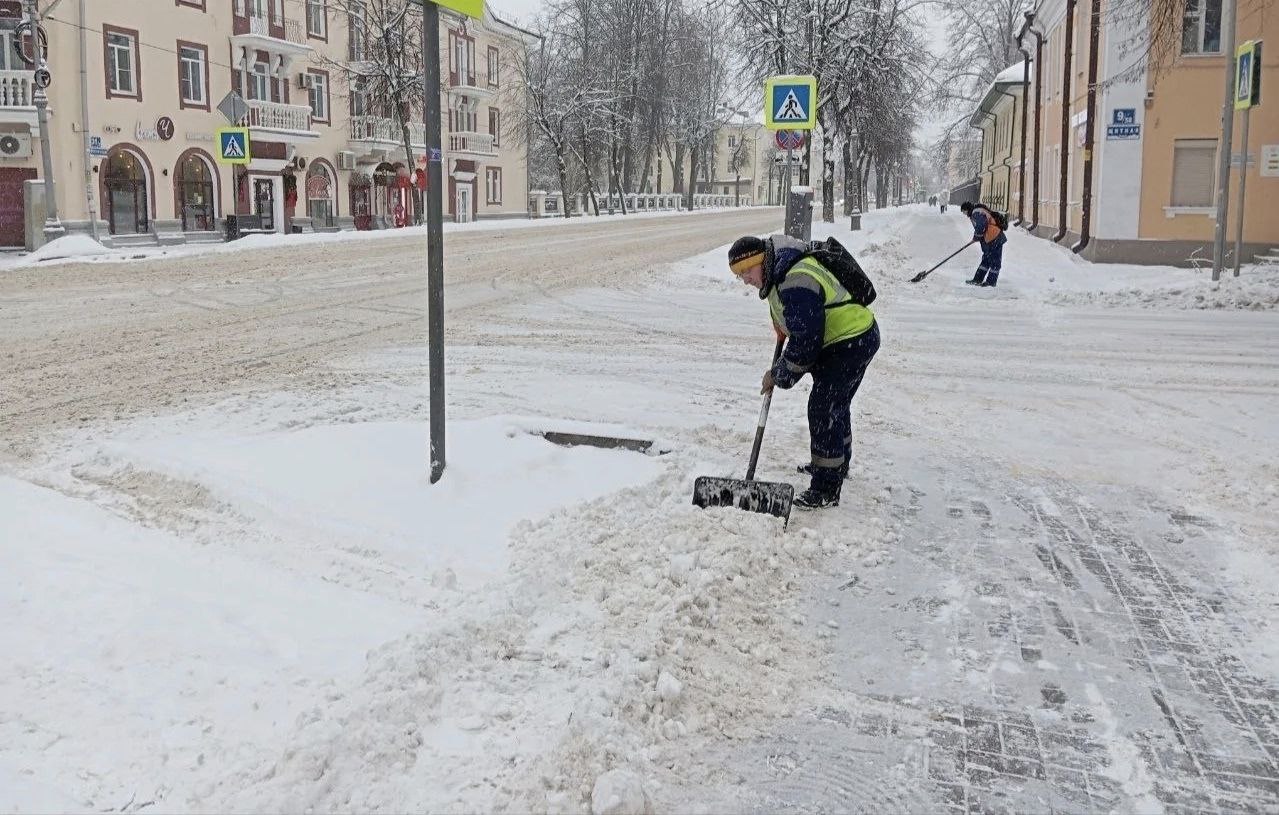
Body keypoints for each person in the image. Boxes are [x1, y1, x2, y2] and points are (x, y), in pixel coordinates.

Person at [727, 234, 880, 509]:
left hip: (850, 341)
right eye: (739, 276)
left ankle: (826, 488)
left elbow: (807, 343)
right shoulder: (779, 272)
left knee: (824, 407)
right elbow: (797, 318)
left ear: (760, 261)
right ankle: (836, 464)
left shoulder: (793, 277)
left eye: (746, 271)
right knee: (835, 403)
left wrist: (779, 375)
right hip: (846, 339)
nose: (745, 280)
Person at [960, 201, 1006, 287]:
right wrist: (977, 237)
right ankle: (978, 279)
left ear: (967, 209)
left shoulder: (976, 212)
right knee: (986, 260)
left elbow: (981, 226)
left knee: (995, 262)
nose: (965, 214)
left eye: (964, 212)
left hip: (995, 238)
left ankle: (991, 282)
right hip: (989, 238)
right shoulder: (977, 211)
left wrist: (976, 237)